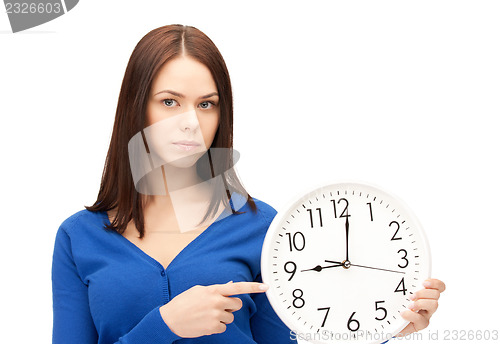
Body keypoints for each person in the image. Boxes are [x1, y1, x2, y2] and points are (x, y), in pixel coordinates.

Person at [51, 24, 445, 344]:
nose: (191, 121)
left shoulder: (265, 227)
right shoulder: (78, 237)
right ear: (136, 106)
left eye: (207, 104)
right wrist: (165, 326)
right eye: (170, 101)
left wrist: (381, 332)